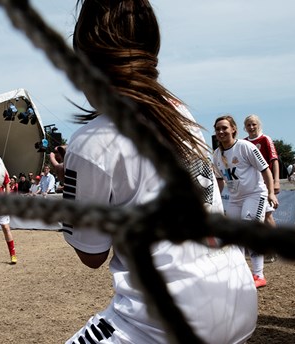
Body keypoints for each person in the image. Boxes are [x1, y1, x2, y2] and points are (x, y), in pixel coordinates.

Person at [59, 2, 257, 343]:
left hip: (164, 319)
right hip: (236, 295)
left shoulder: (92, 141)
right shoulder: (182, 116)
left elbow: (92, 255)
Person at [213, 115, 278, 288]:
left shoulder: (245, 147)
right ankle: (240, 272)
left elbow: (265, 169)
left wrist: (271, 192)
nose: (221, 131)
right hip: (235, 199)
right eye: (218, 129)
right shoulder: (217, 154)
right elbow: (220, 180)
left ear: (234, 129)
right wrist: (214, 200)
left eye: (224, 128)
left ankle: (258, 275)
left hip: (255, 194)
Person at [243, 114, 280, 263]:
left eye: (254, 124)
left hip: (264, 183)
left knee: (266, 216)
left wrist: (276, 181)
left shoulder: (265, 139)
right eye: (249, 125)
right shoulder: (243, 142)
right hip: (250, 185)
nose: (251, 128)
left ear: (259, 125)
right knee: (263, 216)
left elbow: (274, 160)